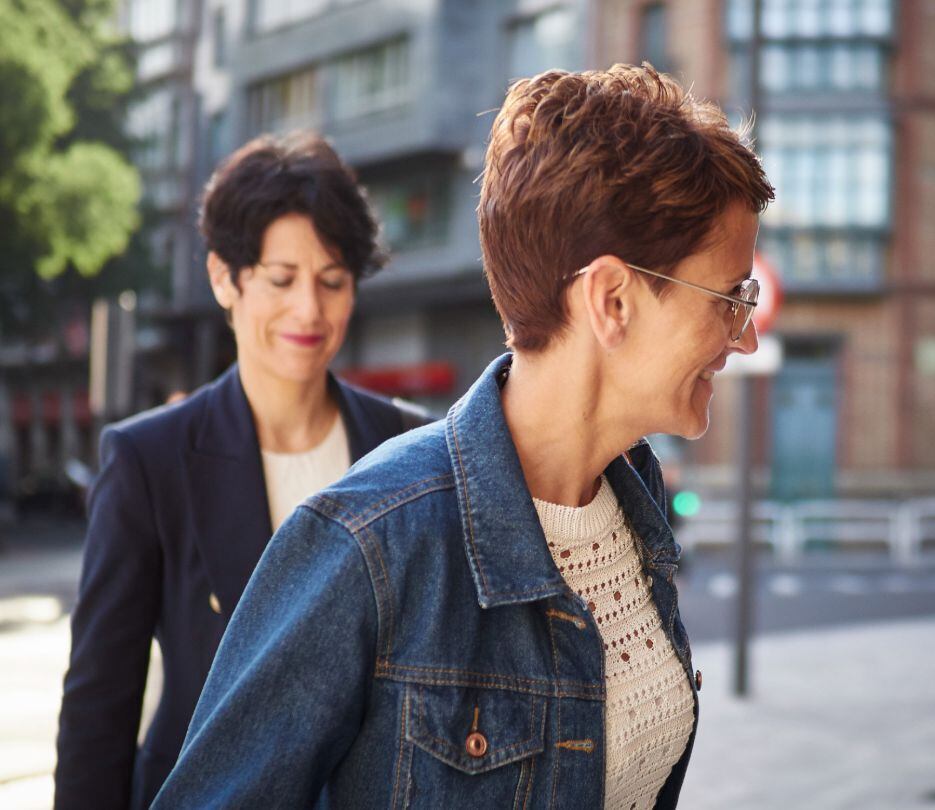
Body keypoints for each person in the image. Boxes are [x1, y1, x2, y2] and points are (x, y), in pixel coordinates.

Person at [153, 64, 773, 809]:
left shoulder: (635, 493)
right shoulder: (368, 541)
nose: (745, 340)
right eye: (728, 298)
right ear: (612, 299)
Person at [55, 132, 427, 810]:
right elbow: (99, 705)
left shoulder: (408, 444)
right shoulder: (149, 459)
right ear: (224, 278)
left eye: (333, 281)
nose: (309, 310)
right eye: (282, 280)